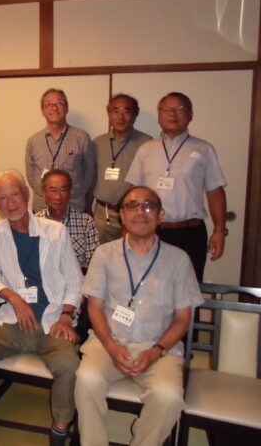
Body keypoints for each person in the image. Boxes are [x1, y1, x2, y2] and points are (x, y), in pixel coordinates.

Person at [0, 169, 83, 446]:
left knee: (69, 365)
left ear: (26, 194)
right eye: (2, 198)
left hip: (52, 322)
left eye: (14, 194)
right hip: (13, 322)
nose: (10, 203)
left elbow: (76, 281)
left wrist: (66, 316)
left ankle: (59, 431)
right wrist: (15, 299)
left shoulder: (55, 231)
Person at [75, 186, 203, 446]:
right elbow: (94, 308)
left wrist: (156, 351)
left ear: (160, 215)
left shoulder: (179, 260)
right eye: (132, 206)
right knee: (86, 380)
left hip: (158, 347)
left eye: (148, 206)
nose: (140, 212)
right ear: (122, 215)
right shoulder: (104, 254)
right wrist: (111, 346)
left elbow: (182, 318)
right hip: (108, 342)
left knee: (168, 396)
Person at [126, 92, 227, 281]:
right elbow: (133, 192)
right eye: (167, 109)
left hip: (190, 233)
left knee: (188, 288)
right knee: (149, 286)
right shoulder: (146, 149)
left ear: (190, 114)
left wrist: (220, 231)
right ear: (159, 115)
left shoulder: (204, 149)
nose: (172, 113)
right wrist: (129, 228)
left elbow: (215, 192)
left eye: (179, 109)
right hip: (151, 231)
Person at [92, 94, 152, 244]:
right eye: (115, 111)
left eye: (126, 111)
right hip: (102, 214)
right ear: (109, 114)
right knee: (102, 255)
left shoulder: (147, 144)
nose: (120, 116)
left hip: (134, 214)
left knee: (133, 254)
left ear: (135, 115)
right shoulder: (97, 143)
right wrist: (87, 208)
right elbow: (91, 178)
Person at [26, 88, 95, 213]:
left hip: (74, 207)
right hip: (42, 208)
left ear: (66, 108)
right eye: (49, 105)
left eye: (59, 103)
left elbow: (89, 174)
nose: (54, 108)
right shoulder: (33, 141)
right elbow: (31, 177)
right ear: (42, 111)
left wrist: (75, 192)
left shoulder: (82, 137)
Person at [36, 169, 99, 273]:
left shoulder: (86, 222)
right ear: (44, 193)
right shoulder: (35, 222)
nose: (58, 196)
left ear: (69, 193)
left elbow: (94, 263)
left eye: (63, 190)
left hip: (77, 277)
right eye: (53, 190)